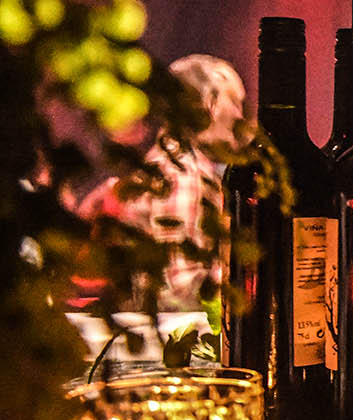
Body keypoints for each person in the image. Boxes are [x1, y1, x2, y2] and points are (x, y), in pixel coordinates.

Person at [78, 52, 244, 310]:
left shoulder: (166, 164)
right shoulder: (183, 172)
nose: (238, 115)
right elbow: (180, 286)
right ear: (209, 105)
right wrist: (244, 283)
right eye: (233, 100)